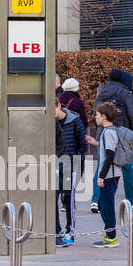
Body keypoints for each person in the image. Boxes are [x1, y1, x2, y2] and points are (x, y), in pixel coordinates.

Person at [95, 68, 133, 206]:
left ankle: (96, 201)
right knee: (127, 167)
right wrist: (131, 130)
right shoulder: (125, 93)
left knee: (101, 166)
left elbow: (95, 113)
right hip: (121, 134)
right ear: (121, 79)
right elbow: (132, 114)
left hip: (103, 132)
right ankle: (132, 200)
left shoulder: (100, 92)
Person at [88, 102, 122, 247]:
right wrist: (95, 143)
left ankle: (111, 236)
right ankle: (109, 233)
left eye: (96, 115)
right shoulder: (110, 131)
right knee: (104, 203)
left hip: (109, 174)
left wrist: (101, 176)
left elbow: (109, 156)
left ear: (103, 116)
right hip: (111, 173)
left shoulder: (108, 132)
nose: (95, 117)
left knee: (106, 205)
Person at [54, 97, 86, 247]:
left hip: (70, 166)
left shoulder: (74, 120)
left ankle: (70, 232)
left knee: (68, 200)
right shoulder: (50, 122)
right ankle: (57, 232)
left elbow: (83, 144)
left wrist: (75, 162)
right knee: (53, 200)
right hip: (55, 167)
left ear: (59, 106)